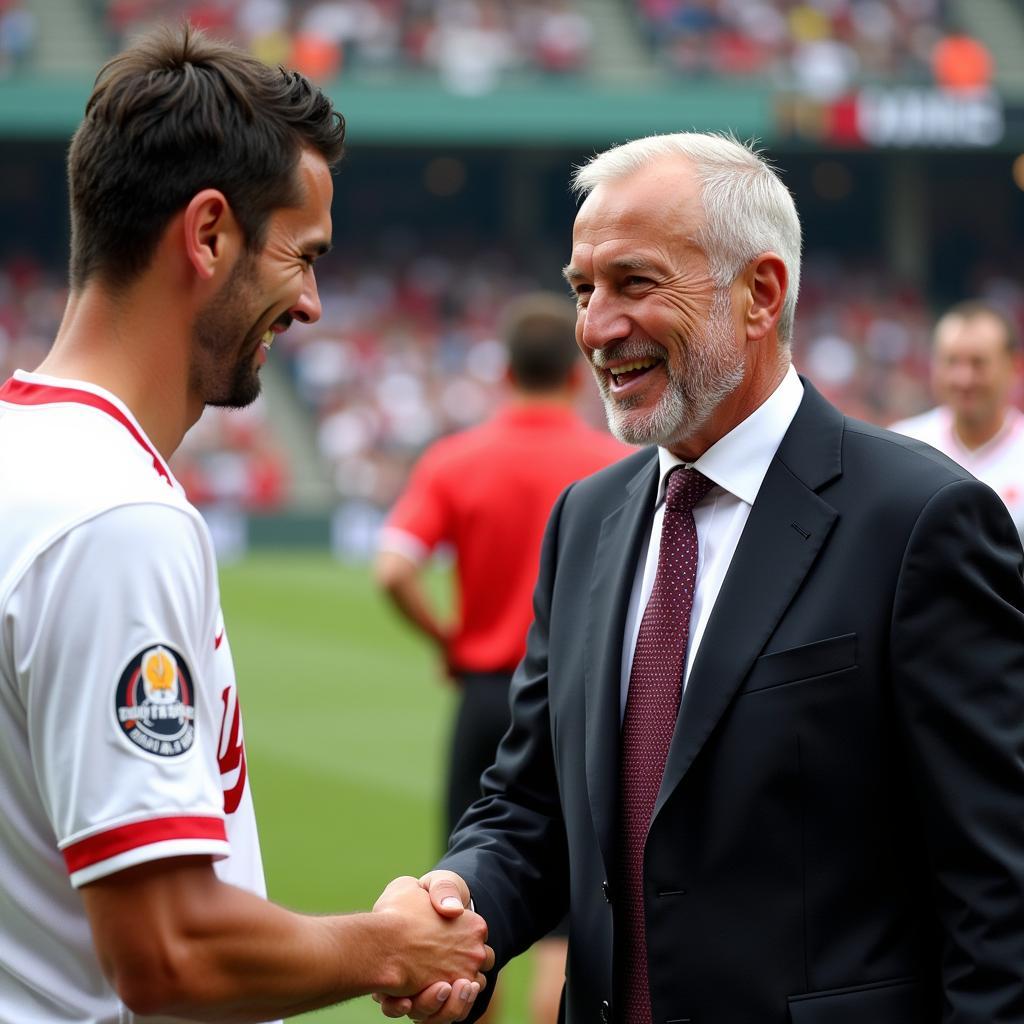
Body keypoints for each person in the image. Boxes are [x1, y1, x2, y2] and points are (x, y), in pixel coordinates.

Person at [378, 132, 1024, 1023]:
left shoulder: (920, 519)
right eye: (583, 289)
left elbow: (1000, 892)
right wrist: (454, 899)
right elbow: (531, 808)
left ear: (760, 294)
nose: (597, 327)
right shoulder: (586, 522)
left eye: (635, 283)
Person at [0, 24, 491, 1024]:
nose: (308, 302)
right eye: (300, 255)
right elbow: (168, 951)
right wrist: (392, 945)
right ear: (209, 232)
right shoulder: (116, 514)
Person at [374, 292, 626, 1024]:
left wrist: (448, 638)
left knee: (466, 905)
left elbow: (393, 567)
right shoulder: (611, 462)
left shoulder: (458, 459)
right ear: (576, 372)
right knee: (565, 926)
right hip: (578, 698)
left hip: (486, 689)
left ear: (505, 371)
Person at [890, 299, 1024, 539]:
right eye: (951, 361)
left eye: (978, 363)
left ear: (1014, 366)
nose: (963, 379)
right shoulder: (900, 446)